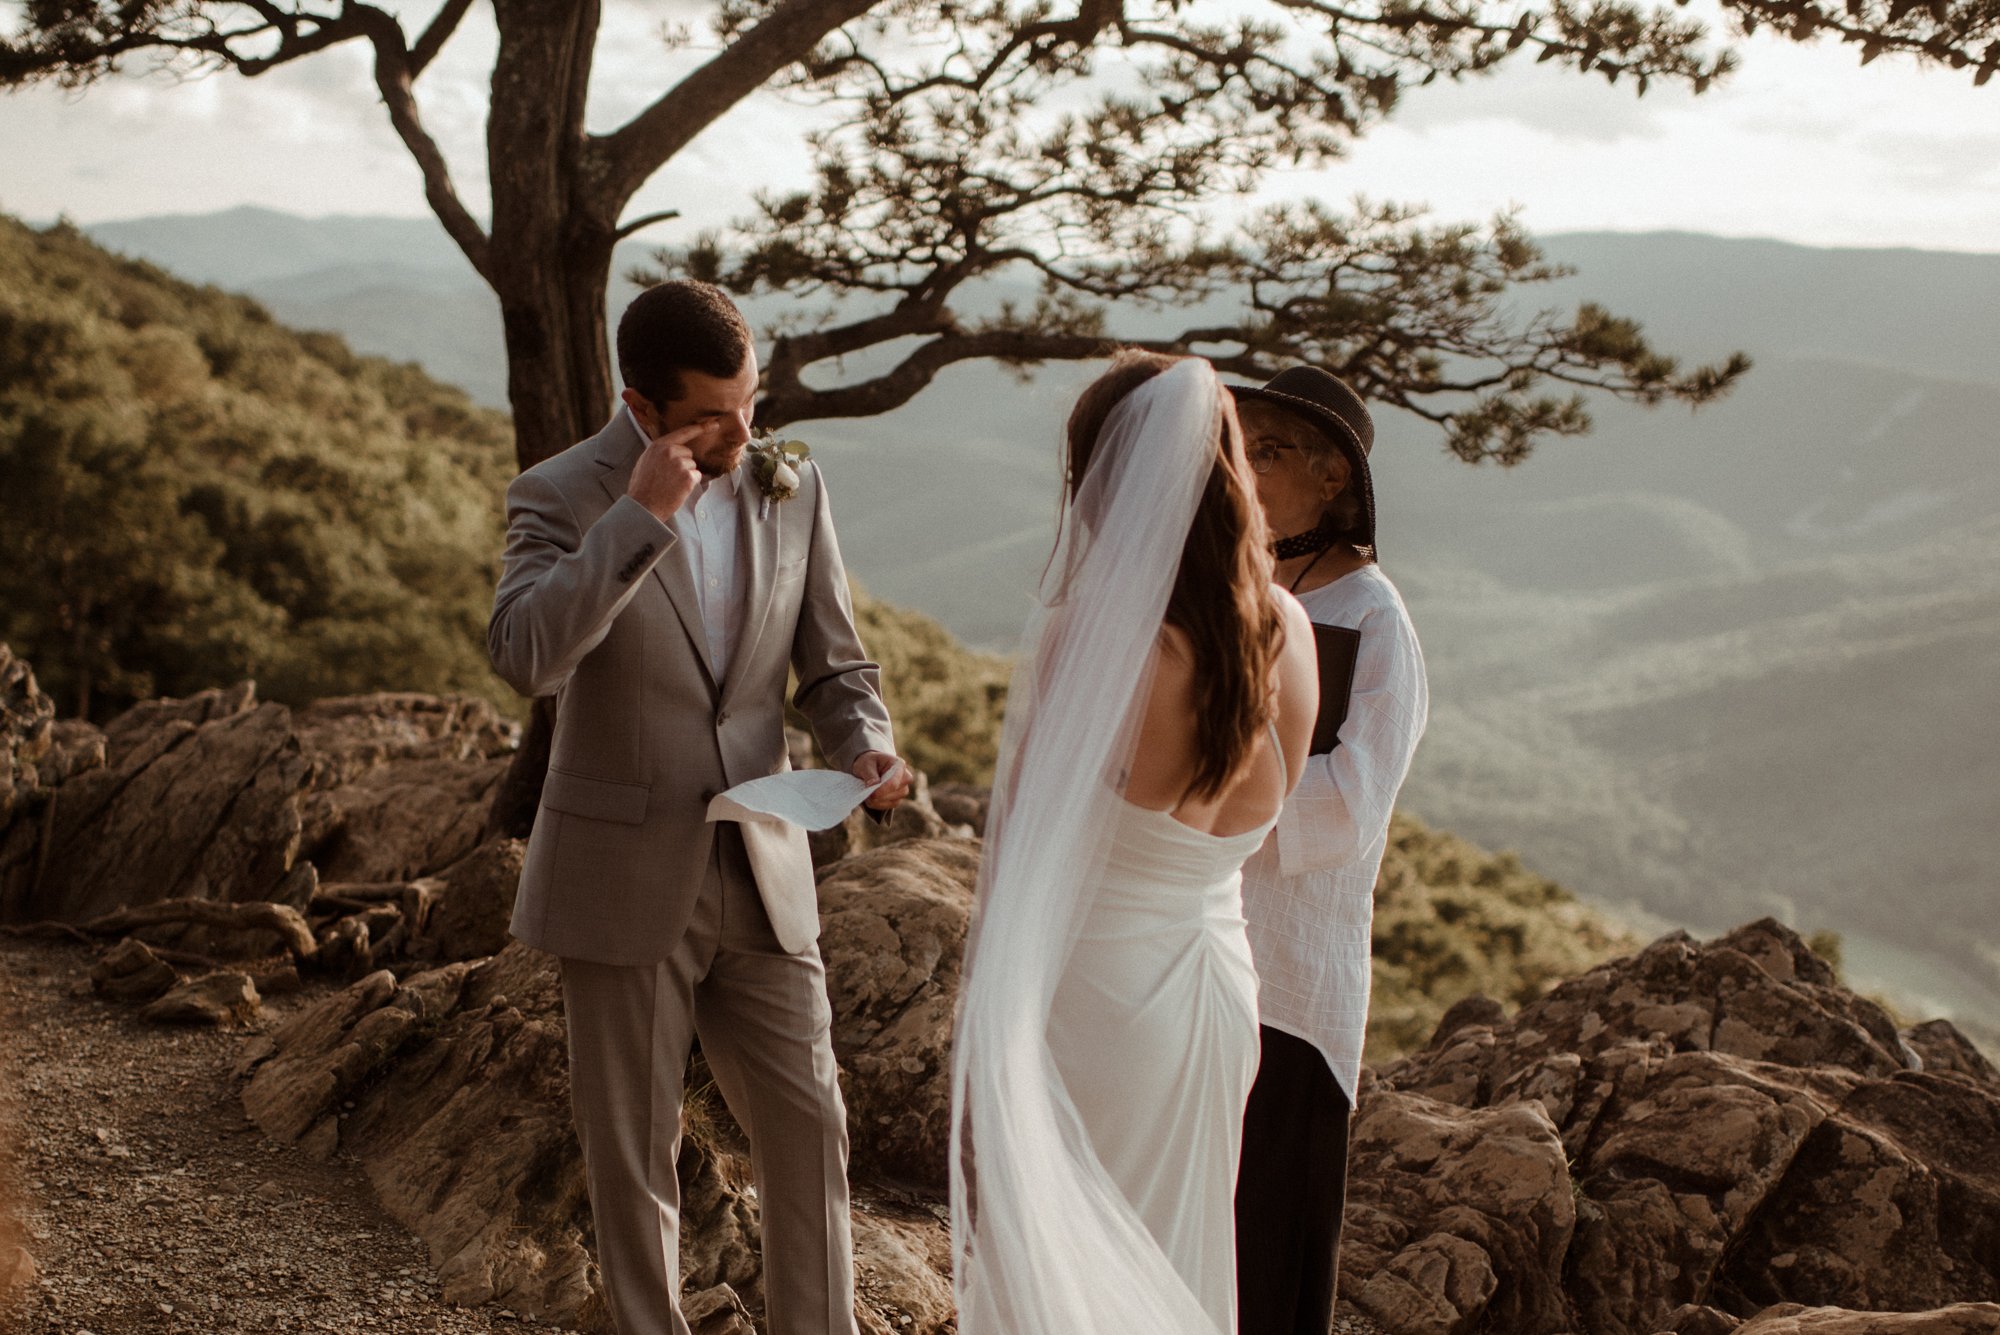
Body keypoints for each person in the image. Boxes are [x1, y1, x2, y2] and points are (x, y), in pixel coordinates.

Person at [486, 280, 912, 1335]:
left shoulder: (790, 482)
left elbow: (834, 664)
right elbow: (528, 660)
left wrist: (864, 744)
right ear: (639, 402)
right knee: (633, 1157)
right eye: (712, 415)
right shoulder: (557, 493)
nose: (742, 431)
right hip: (620, 870)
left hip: (764, 858)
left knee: (811, 1128)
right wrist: (640, 518)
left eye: (750, 403)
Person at [950, 352, 1320, 1335]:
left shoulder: (1101, 639)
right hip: (1216, 991)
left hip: (1100, 995)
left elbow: (1032, 846)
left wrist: (992, 1014)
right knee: (1174, 1257)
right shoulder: (1285, 628)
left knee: (1061, 1261)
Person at [1228, 366, 1429, 1335]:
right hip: (1201, 964)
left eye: (1268, 450)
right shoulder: (1230, 592)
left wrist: (1209, 794)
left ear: (1331, 481)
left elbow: (1349, 808)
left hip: (1294, 990)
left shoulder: (1374, 621)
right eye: (1243, 443)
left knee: (1272, 1258)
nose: (1245, 466)